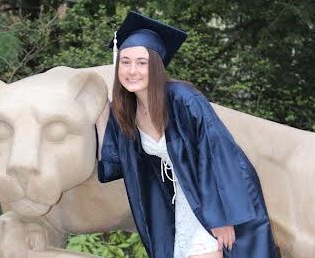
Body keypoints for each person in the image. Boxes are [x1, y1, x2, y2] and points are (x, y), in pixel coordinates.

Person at [96, 11, 277, 258]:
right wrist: (99, 114)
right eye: (125, 62)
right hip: (182, 201)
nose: (132, 70)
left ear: (157, 66)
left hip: (216, 201)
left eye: (141, 62)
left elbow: (218, 154)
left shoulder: (183, 99)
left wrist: (222, 216)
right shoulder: (127, 110)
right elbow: (118, 163)